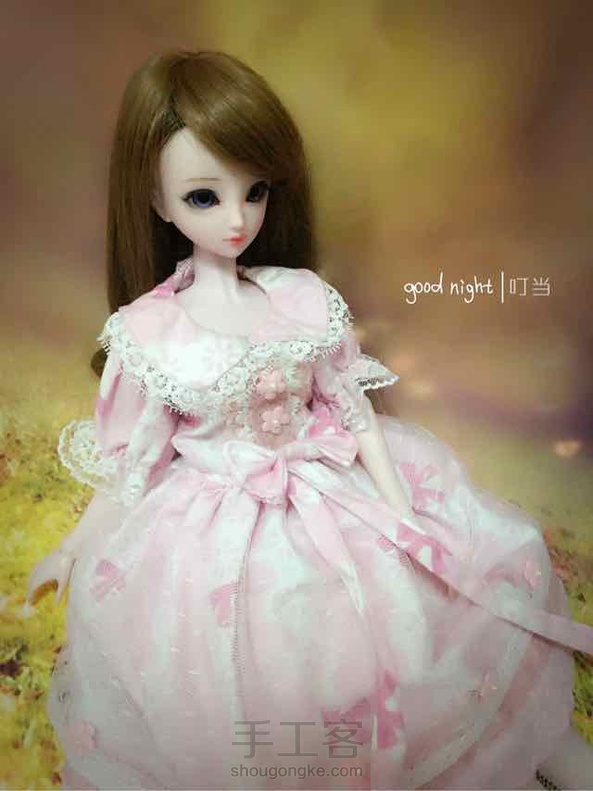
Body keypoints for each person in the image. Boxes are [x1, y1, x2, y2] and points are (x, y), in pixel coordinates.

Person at [28, 50, 593, 791]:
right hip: (212, 530)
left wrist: (400, 509)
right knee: (260, 661)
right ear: (158, 203)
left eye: (254, 191)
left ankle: (538, 740)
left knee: (423, 614)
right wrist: (70, 550)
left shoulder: (297, 295)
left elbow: (352, 410)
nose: (237, 218)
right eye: (204, 197)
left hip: (330, 487)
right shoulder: (150, 331)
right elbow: (134, 462)